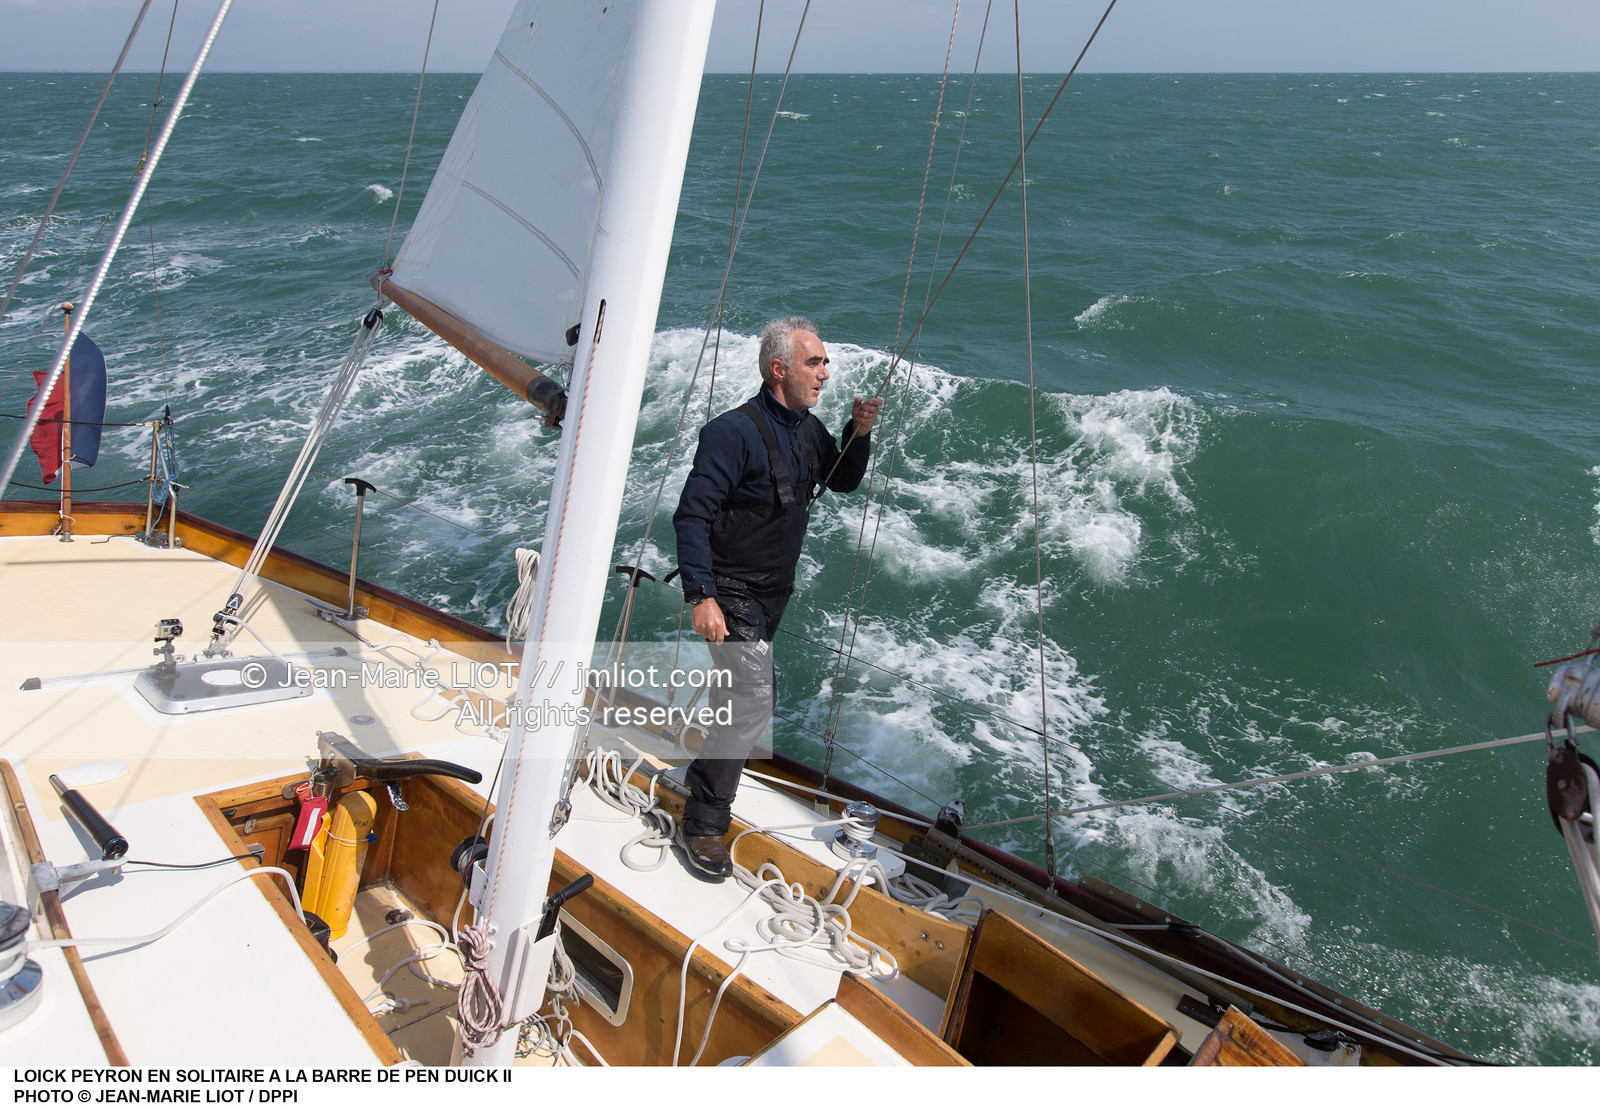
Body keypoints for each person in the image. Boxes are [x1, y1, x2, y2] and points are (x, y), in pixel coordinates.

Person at [672, 317, 882, 878]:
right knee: (754, 698)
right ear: (779, 369)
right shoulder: (730, 433)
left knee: (739, 695)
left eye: (825, 362)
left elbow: (840, 479)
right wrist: (702, 595)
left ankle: (702, 777)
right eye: (814, 363)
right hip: (730, 589)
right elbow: (691, 515)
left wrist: (857, 433)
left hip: (772, 593)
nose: (825, 373)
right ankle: (704, 822)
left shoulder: (807, 429)